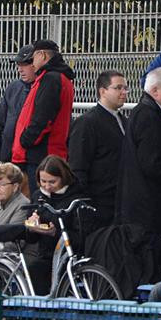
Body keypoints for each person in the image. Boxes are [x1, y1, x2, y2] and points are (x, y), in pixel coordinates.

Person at [116, 67, 161, 276]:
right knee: (149, 266)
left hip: (142, 207)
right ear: (155, 90)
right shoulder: (150, 118)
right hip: (148, 208)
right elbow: (153, 164)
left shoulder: (144, 113)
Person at [12, 39, 76, 192]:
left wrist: (26, 140)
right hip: (44, 153)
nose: (32, 63)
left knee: (39, 203)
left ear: (42, 55)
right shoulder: (56, 78)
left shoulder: (51, 79)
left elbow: (43, 118)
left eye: (33, 58)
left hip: (41, 155)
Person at [67, 70, 128, 226]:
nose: (124, 92)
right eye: (118, 88)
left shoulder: (124, 121)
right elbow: (78, 165)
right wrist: (85, 200)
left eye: (125, 88)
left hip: (120, 199)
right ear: (103, 91)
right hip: (98, 202)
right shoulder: (87, 123)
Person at [24, 155, 90, 293]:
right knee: (35, 268)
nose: (47, 186)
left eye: (52, 182)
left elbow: (82, 236)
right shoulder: (38, 196)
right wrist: (32, 227)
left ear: (63, 178)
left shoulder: (76, 198)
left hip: (71, 254)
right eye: (43, 181)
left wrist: (55, 233)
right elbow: (31, 239)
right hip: (46, 255)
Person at [0, 44, 36, 173]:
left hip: (31, 160)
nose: (20, 69)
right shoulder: (13, 88)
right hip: (9, 158)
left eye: (24, 64)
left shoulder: (44, 88)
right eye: (18, 65)